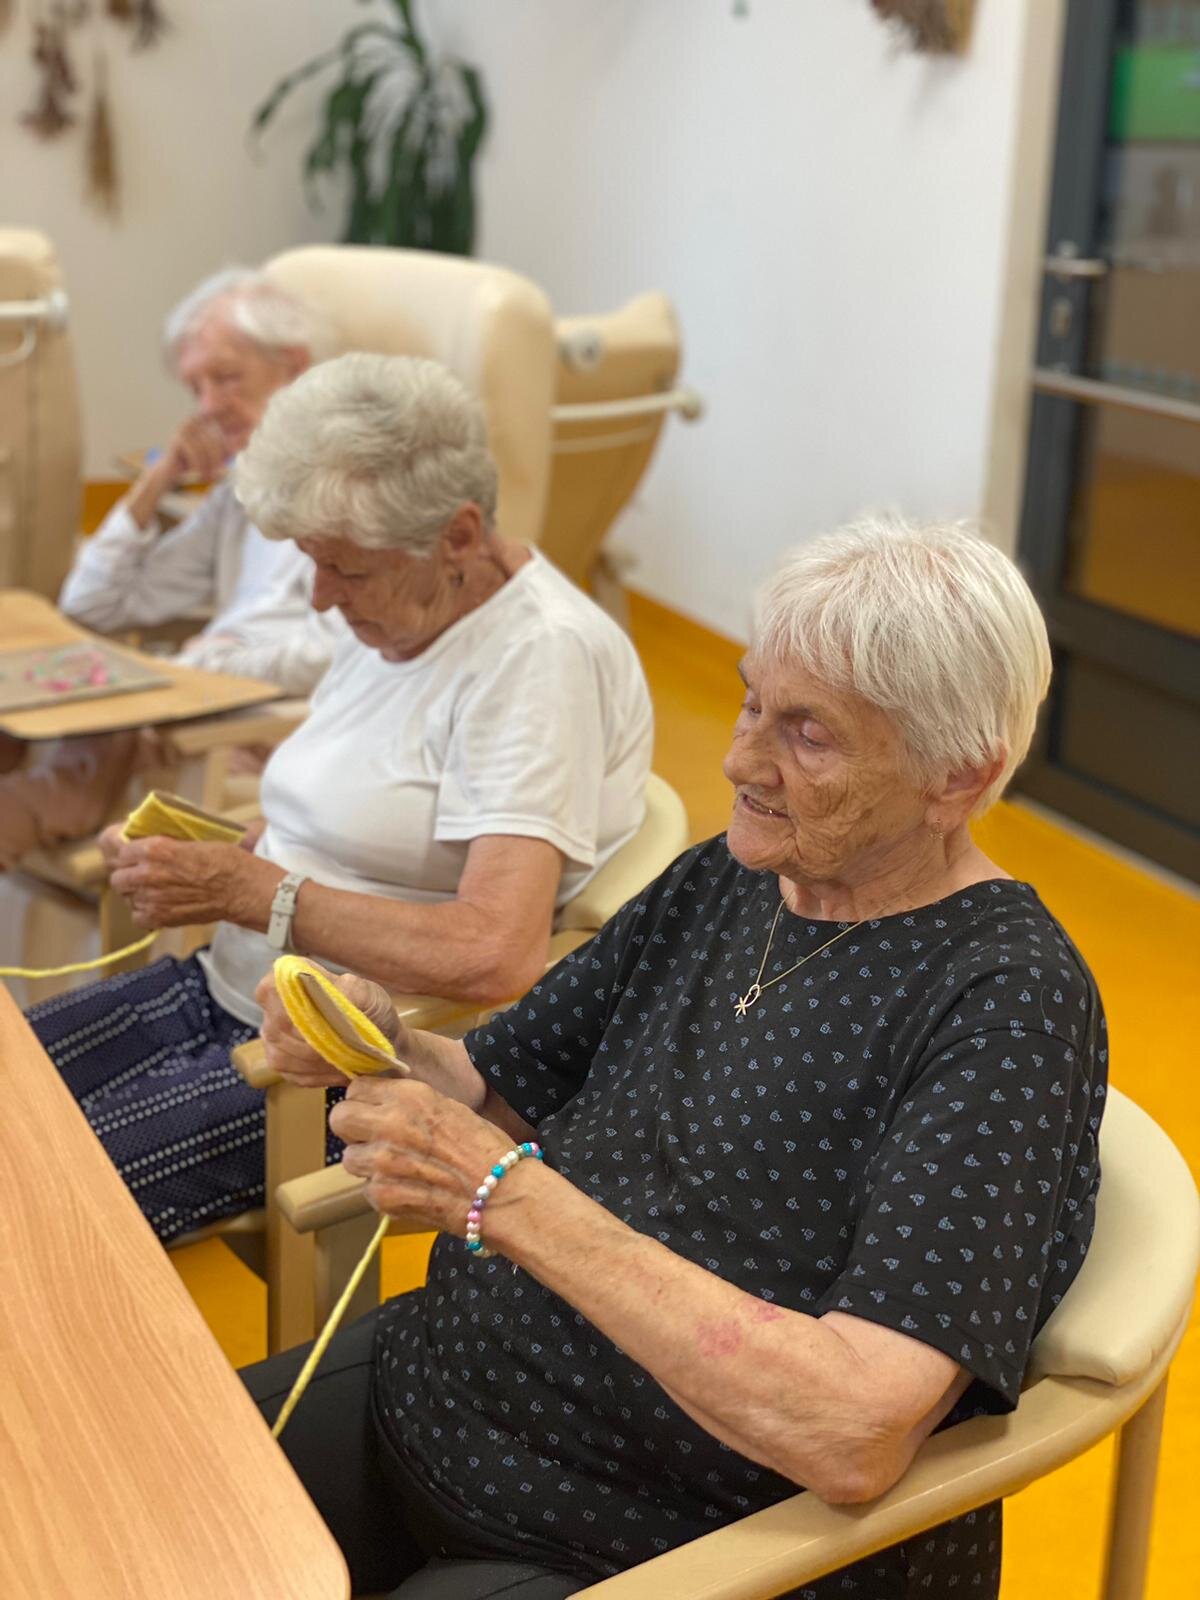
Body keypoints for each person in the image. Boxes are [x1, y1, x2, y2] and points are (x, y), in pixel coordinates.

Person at [245, 516, 1107, 1600]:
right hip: (446, 1389)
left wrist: (505, 1197)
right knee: (135, 1497)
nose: (742, 759)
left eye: (809, 734)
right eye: (751, 702)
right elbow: (498, 1093)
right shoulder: (735, 876)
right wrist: (384, 1043)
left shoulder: (1006, 1005)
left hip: (648, 1533)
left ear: (957, 777)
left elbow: (855, 1427)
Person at [26, 353, 653, 1247]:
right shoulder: (398, 610)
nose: (322, 597)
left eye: (343, 570)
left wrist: (254, 892)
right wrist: (217, 854)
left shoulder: (538, 661)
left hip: (345, 1067)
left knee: (37, 1199)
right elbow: (351, 819)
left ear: (458, 535)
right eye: (313, 564)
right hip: (225, 988)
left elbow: (497, 952)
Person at [0, 267, 341, 868]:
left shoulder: (351, 490)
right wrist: (159, 478)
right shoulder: (241, 491)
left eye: (227, 378)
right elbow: (93, 605)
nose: (209, 406)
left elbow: (337, 651)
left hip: (257, 720)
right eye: (196, 387)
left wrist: (207, 663)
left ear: (294, 366)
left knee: (40, 777)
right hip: (203, 691)